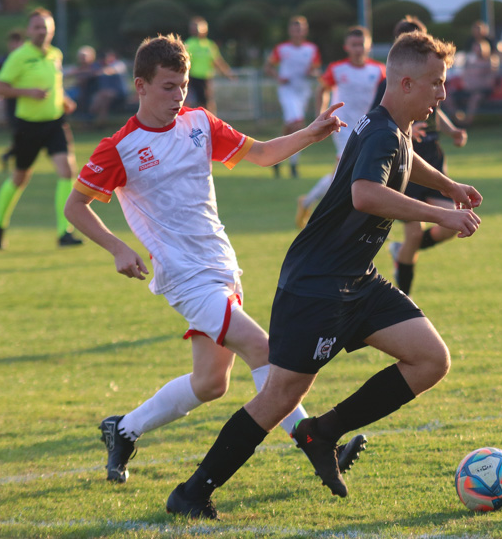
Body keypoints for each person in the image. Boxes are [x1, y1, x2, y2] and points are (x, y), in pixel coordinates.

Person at [166, 30, 482, 520]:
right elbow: (364, 193)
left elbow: (405, 158)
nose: (442, 93)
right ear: (403, 84)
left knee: (430, 359)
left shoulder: (390, 127)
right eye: (435, 83)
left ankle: (322, 433)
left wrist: (448, 185)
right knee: (280, 397)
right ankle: (192, 491)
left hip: (358, 278)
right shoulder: (379, 130)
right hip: (316, 285)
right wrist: (441, 214)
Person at [63, 34, 366, 486]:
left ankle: (123, 429)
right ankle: (316, 442)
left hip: (222, 265)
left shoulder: (200, 123)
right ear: (140, 86)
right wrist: (118, 248)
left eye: (183, 85)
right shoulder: (119, 147)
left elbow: (261, 154)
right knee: (265, 349)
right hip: (184, 276)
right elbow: (75, 207)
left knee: (210, 383)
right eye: (167, 86)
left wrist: (311, 132)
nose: (178, 95)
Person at [373, 16, 468, 295]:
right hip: (405, 160)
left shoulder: (429, 78)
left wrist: (452, 132)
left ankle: (402, 251)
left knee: (450, 223)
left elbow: (436, 111)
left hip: (432, 158)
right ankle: (405, 298)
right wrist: (404, 133)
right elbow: (379, 116)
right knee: (414, 231)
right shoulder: (391, 84)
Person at [0, 8, 82, 249]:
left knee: (67, 171)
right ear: (29, 30)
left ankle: (65, 232)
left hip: (55, 122)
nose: (43, 31)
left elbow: (56, 84)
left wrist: (64, 101)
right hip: (28, 126)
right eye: (38, 27)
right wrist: (26, 92)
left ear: (52, 30)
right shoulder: (19, 56)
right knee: (20, 178)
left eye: (47, 27)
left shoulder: (55, 54)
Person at [295, 26, 384, 228]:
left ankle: (308, 202)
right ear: (346, 47)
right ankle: (332, 216)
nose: (358, 49)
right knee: (346, 172)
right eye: (354, 45)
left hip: (368, 127)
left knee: (344, 173)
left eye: (362, 44)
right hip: (342, 127)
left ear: (368, 46)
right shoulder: (337, 69)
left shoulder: (378, 70)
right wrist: (321, 116)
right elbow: (322, 89)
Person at [265, 15, 321, 179]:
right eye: (295, 28)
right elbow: (268, 67)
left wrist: (313, 73)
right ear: (290, 30)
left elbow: (316, 70)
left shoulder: (311, 49)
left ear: (305, 30)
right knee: (298, 123)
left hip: (303, 91)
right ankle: (294, 164)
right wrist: (278, 76)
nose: (298, 31)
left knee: (291, 125)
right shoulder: (282, 49)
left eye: (301, 28)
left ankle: (276, 156)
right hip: (287, 90)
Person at [184, 16, 234, 114]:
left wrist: (227, 73)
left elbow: (217, 61)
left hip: (206, 78)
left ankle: (211, 122)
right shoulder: (189, 44)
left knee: (208, 102)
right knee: (195, 103)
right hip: (193, 78)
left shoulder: (209, 45)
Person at [0, 29, 24, 172]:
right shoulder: (3, 60)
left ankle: (8, 156)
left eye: (18, 42)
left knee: (23, 135)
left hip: (25, 102)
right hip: (11, 102)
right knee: (19, 133)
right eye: (13, 42)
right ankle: (11, 157)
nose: (15, 45)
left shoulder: (25, 59)